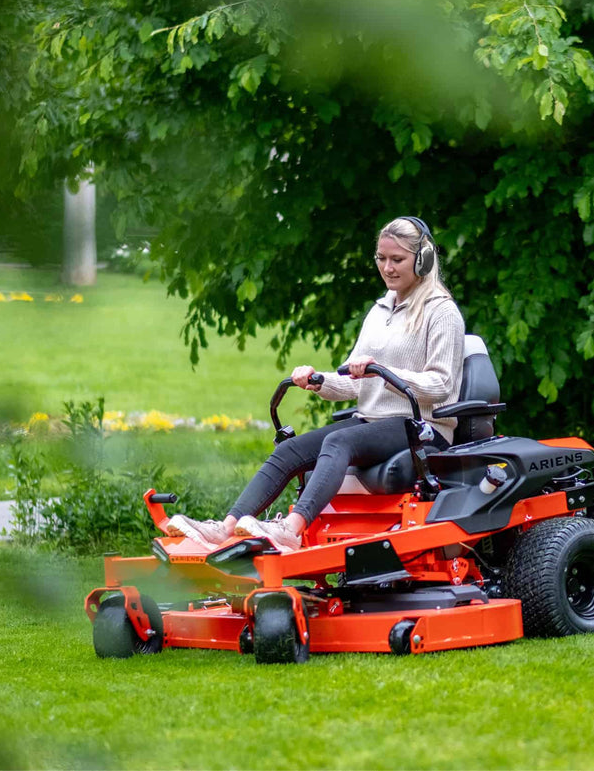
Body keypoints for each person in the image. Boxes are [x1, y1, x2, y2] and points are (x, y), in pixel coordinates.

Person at [166, 216, 465, 552]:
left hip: (422, 426)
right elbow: (356, 384)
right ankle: (226, 527)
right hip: (374, 422)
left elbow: (441, 385)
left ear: (422, 259)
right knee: (290, 448)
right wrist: (319, 381)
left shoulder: (442, 312)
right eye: (381, 259)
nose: (388, 268)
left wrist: (384, 371)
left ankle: (291, 529)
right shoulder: (380, 311)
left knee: (338, 441)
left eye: (398, 260)